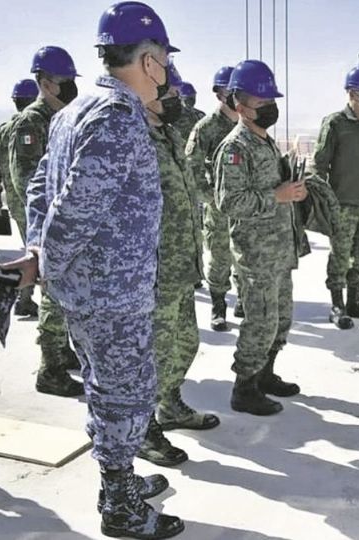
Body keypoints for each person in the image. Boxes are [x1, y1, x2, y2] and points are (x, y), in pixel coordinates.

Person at [3, 2, 185, 536]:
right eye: (165, 62)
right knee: (123, 392)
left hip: (92, 287)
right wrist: (44, 263)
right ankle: (119, 504)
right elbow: (75, 208)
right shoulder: (116, 118)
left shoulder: (73, 112)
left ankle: (122, 476)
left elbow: (41, 191)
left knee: (111, 388)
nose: (168, 73)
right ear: (149, 62)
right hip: (110, 291)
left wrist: (40, 253)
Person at [136, 65, 220, 470]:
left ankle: (170, 406)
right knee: (154, 352)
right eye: (168, 94)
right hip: (152, 271)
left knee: (186, 343)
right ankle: (141, 428)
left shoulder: (169, 137)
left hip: (181, 265)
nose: (177, 102)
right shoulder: (134, 140)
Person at [215, 59, 305, 416]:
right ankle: (245, 387)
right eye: (261, 102)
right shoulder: (236, 148)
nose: (269, 108)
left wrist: (293, 191)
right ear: (240, 106)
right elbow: (228, 202)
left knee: (281, 317)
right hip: (256, 253)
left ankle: (266, 373)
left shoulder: (264, 142)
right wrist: (277, 196)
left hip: (279, 248)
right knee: (260, 320)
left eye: (271, 101)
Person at [8, 45, 82, 397]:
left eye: (71, 80)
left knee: (64, 292)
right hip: (46, 225)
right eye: (63, 81)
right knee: (52, 293)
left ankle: (62, 352)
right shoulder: (31, 121)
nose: (69, 87)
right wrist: (45, 231)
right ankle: (50, 369)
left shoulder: (64, 117)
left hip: (64, 223)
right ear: (43, 82)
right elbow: (26, 180)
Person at [313, 64, 359, 330]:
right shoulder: (335, 123)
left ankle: (355, 300)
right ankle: (337, 304)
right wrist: (323, 203)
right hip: (342, 204)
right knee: (340, 256)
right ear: (352, 93)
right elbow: (319, 166)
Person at [186, 65, 241, 332]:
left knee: (246, 253)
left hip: (246, 206)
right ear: (219, 93)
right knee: (220, 256)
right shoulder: (206, 128)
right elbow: (191, 167)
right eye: (229, 90)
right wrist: (210, 197)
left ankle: (243, 299)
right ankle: (219, 305)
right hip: (219, 207)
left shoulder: (248, 125)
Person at [0, 79, 40, 316]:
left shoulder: (0, 133)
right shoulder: (38, 126)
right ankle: (26, 300)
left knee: (30, 249)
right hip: (39, 203)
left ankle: (24, 299)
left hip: (16, 204)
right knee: (40, 253)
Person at [169, 63, 204, 142]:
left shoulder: (200, 115)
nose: (191, 101)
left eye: (192, 97)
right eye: (188, 98)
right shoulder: (173, 116)